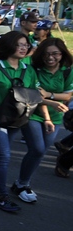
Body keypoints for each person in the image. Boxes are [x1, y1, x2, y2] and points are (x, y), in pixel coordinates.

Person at [0, 31, 51, 211]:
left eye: (26, 45)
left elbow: (36, 94)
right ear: (8, 46)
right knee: (3, 155)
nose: (24, 48)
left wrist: (51, 101)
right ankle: (0, 196)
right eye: (19, 44)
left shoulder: (27, 70)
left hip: (15, 119)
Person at [24, 38, 72, 185]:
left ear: (62, 54)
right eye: (46, 54)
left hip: (56, 116)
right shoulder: (34, 69)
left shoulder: (68, 70)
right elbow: (36, 95)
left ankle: (23, 181)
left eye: (55, 54)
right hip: (32, 113)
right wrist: (46, 117)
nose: (50, 58)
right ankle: (23, 183)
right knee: (37, 149)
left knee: (41, 152)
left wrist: (49, 95)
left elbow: (68, 95)